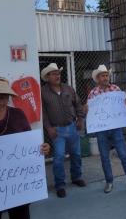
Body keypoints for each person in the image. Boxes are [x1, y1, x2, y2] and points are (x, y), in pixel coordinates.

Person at [0, 76, 50, 219]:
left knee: (20, 215)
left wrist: (42, 149)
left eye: (3, 94)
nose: (0, 98)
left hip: (18, 186)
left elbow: (29, 145)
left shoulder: (18, 114)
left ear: (9, 96)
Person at [87, 65, 126, 194]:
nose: (105, 78)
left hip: (116, 128)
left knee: (123, 155)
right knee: (105, 157)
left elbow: (123, 109)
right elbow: (90, 112)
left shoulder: (116, 89)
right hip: (102, 130)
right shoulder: (93, 93)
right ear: (98, 78)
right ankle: (109, 182)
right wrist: (87, 109)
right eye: (102, 76)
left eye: (106, 75)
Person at [40, 63, 86, 198]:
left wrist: (80, 119)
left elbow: (78, 104)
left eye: (58, 73)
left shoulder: (68, 88)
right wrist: (48, 128)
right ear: (47, 77)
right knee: (59, 157)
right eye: (53, 74)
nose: (57, 76)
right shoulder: (42, 92)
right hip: (57, 130)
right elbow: (43, 113)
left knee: (76, 154)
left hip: (72, 127)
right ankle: (60, 184)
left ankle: (76, 177)